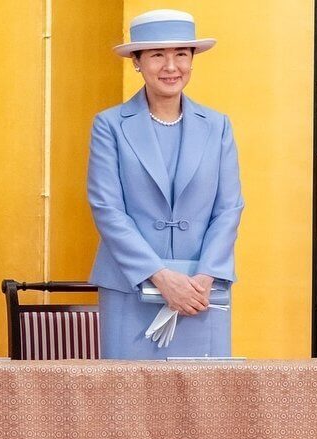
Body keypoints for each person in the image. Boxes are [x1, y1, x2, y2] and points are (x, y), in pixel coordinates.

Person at [88, 9, 244, 359]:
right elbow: (107, 209)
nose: (171, 66)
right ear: (137, 62)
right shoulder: (109, 126)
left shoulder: (218, 126)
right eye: (157, 55)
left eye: (181, 55)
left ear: (192, 61)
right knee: (129, 404)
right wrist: (160, 277)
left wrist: (203, 277)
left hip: (203, 292)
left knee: (203, 404)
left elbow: (229, 209)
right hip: (131, 287)